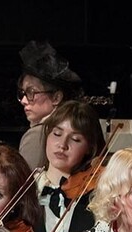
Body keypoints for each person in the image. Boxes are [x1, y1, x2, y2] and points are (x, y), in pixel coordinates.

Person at [37, 100, 106, 232]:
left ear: (89, 148)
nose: (62, 145)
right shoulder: (27, 189)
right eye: (57, 134)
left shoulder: (98, 195)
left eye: (75, 139)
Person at [16, 41, 83, 170]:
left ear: (56, 98)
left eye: (31, 92)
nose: (24, 100)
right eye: (23, 93)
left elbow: (24, 180)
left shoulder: (37, 134)